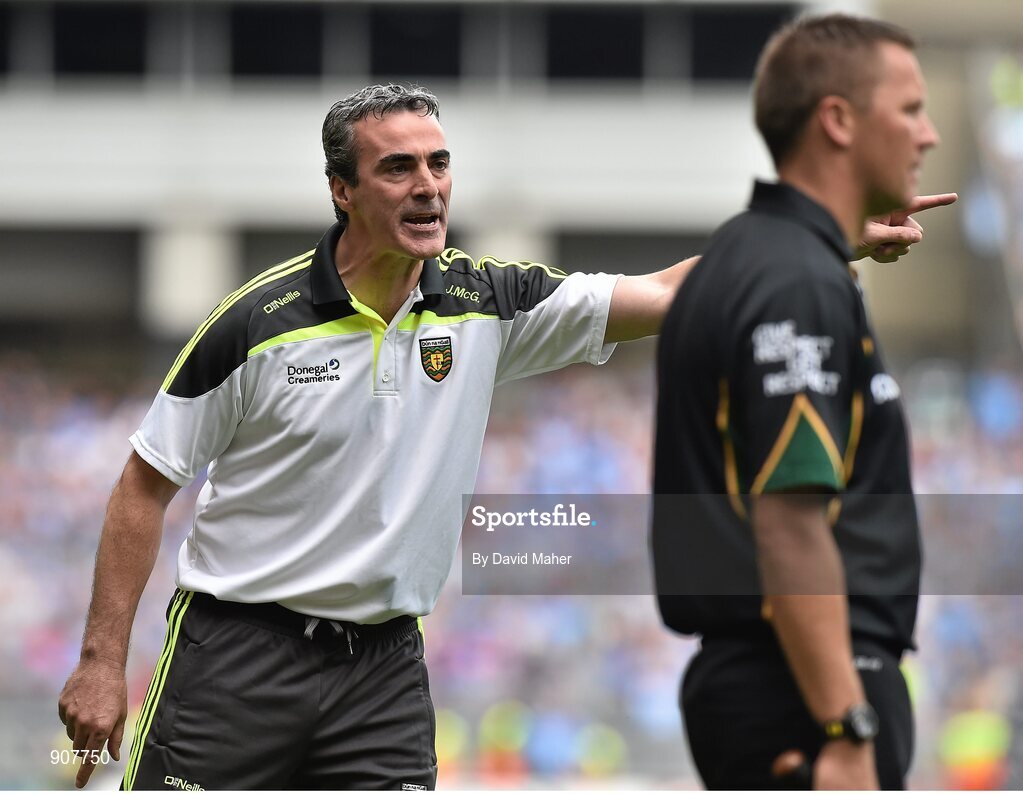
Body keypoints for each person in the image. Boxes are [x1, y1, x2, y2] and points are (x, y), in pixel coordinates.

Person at [58, 83, 937, 790]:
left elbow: (670, 293)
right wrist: (103, 664)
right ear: (342, 190)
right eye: (397, 168)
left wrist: (823, 240)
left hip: (384, 667)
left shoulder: (487, 298)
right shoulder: (253, 324)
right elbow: (145, 483)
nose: (428, 185)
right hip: (235, 655)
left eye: (438, 164)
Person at [652, 14, 957, 790]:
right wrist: (845, 723)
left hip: (772, 683)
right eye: (910, 109)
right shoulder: (794, 280)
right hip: (802, 694)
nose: (926, 135)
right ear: (837, 120)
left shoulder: (747, 255)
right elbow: (790, 523)